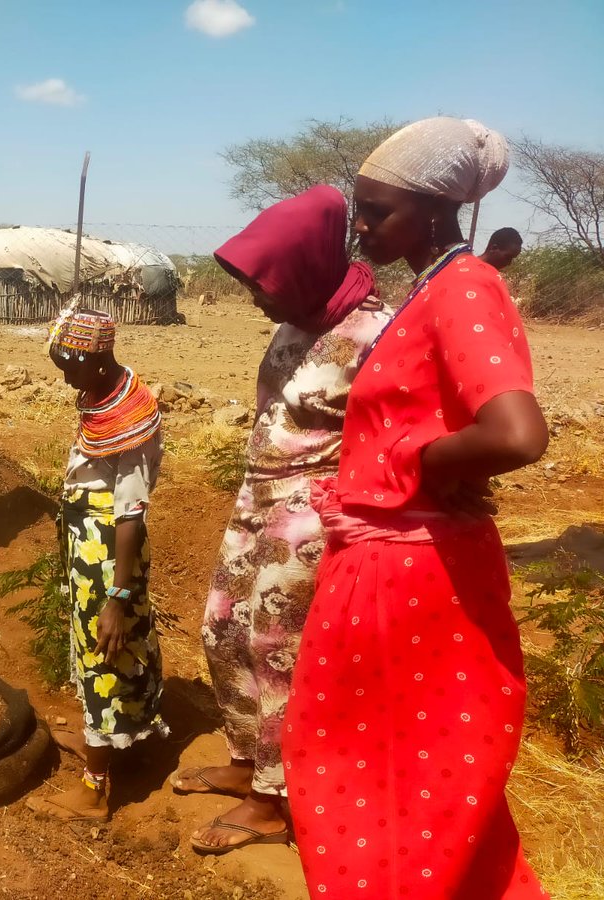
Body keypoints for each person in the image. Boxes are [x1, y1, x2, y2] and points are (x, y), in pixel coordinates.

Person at [282, 118, 549, 898]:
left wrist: (411, 461)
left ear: (434, 213)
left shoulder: (466, 285)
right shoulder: (432, 287)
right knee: (389, 773)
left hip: (413, 580)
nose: (360, 226)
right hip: (392, 565)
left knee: (391, 776)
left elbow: (516, 432)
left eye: (377, 210)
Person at [179, 186, 391, 856]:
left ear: (302, 267)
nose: (255, 298)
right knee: (219, 626)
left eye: (262, 283)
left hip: (310, 506)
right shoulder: (299, 315)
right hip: (258, 491)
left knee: (276, 648)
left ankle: (273, 800)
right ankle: (245, 761)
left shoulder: (374, 335)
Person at [25, 310, 165, 822]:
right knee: (93, 647)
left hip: (110, 557)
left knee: (107, 651)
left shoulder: (133, 419)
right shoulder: (101, 396)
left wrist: (117, 595)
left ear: (99, 359)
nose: (65, 377)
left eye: (69, 365)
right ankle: (98, 740)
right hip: (90, 549)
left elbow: (130, 513)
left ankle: (95, 788)